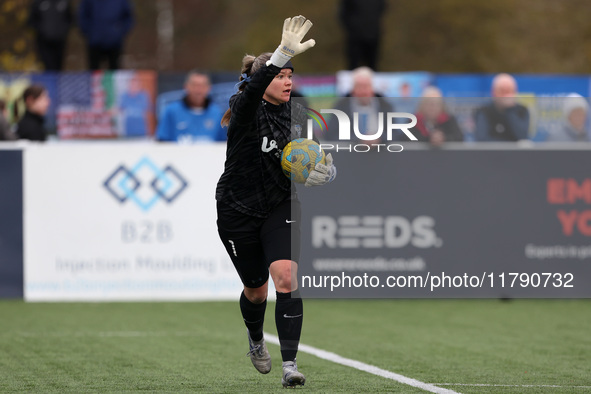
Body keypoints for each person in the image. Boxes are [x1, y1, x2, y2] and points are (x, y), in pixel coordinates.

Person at [215, 16, 336, 388]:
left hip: (280, 205)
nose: (287, 81)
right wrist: (280, 53)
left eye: (290, 75)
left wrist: (324, 170)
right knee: (256, 289)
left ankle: (290, 366)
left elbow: (304, 156)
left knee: (285, 276)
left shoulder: (295, 111)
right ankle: (255, 340)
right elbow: (251, 93)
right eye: (281, 74)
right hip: (236, 209)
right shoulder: (243, 105)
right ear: (264, 79)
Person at [156, 71, 225, 143]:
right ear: (186, 86)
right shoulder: (171, 111)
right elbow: (162, 143)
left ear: (209, 88)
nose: (198, 90)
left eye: (202, 85)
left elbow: (222, 144)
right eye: (194, 85)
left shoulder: (216, 113)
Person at [330, 66, 394, 144]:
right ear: (353, 89)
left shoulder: (385, 106)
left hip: (381, 154)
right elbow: (331, 135)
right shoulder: (341, 107)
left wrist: (380, 139)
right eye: (359, 86)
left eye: (366, 86)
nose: (363, 91)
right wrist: (358, 140)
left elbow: (395, 134)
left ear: (372, 88)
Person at [78, 0, 134, 70]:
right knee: (93, 72)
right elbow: (82, 16)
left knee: (115, 72)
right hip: (94, 42)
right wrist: (89, 33)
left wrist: (120, 32)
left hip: (115, 42)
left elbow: (128, 17)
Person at [474, 73, 530, 142]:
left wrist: (510, 110)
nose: (506, 95)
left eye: (509, 91)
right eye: (502, 91)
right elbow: (481, 139)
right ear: (494, 92)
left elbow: (523, 136)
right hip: (492, 152)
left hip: (515, 152)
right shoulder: (484, 111)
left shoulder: (522, 110)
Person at [339, 0, 386, 70]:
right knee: (353, 65)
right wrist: (352, 28)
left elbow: (381, 9)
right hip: (355, 37)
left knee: (373, 65)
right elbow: (343, 14)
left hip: (373, 36)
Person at [28, 0, 74, 71]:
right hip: (44, 41)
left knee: (59, 66)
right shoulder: (39, 3)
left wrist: (63, 31)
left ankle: (57, 81)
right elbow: (32, 21)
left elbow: (70, 19)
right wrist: (42, 31)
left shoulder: (64, 3)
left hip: (60, 40)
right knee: (48, 65)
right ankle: (49, 81)